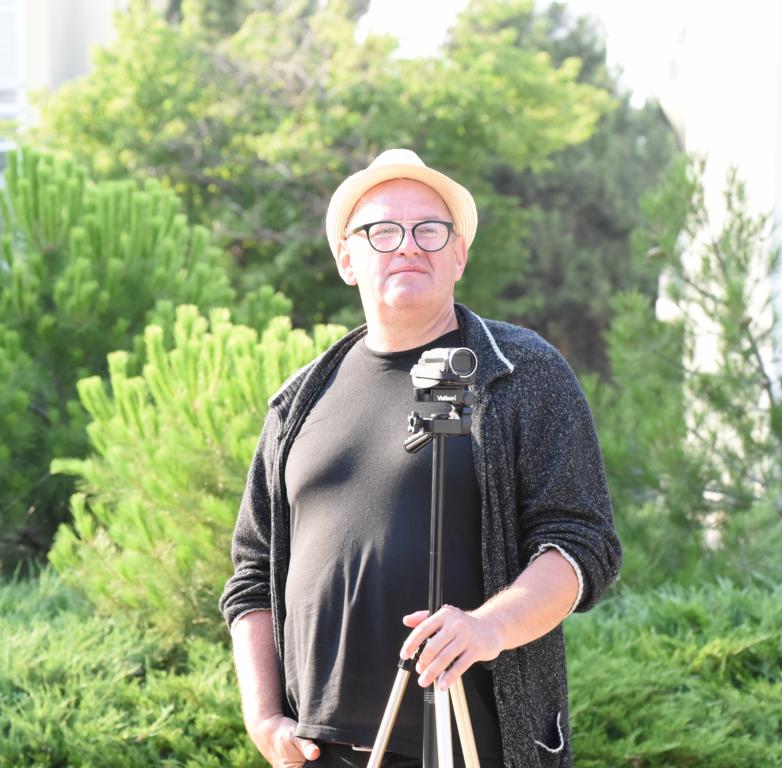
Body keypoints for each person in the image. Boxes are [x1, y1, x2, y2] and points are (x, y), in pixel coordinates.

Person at [219, 148, 621, 768]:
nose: (408, 246)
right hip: (317, 751)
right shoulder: (299, 400)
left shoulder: (522, 372)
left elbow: (581, 544)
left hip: (474, 747)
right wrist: (264, 718)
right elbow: (252, 573)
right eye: (382, 231)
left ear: (459, 254)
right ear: (347, 259)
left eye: (430, 230)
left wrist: (489, 627)